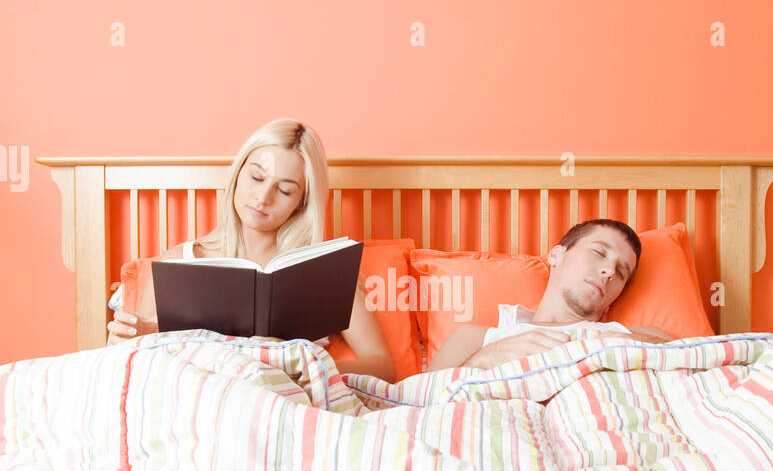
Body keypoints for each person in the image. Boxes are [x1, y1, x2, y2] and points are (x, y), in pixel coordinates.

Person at [107, 120, 396, 382]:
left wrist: (309, 366)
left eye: (284, 190)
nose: (263, 197)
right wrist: (126, 339)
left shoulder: (322, 271)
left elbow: (384, 366)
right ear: (238, 174)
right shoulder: (177, 263)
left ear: (302, 202)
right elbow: (135, 362)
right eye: (257, 178)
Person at [429, 218, 673, 371]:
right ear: (556, 255)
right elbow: (424, 403)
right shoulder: (477, 339)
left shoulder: (636, 338)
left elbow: (695, 357)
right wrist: (485, 359)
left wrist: (618, 344)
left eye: (621, 272)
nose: (609, 270)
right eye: (599, 252)